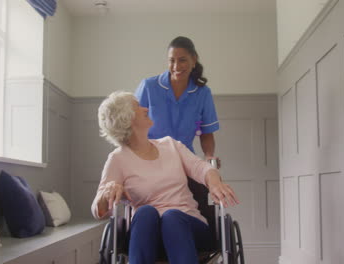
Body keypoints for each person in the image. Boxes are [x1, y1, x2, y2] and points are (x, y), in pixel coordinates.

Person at [91, 91, 239, 264]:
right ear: (128, 118)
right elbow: (98, 211)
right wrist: (106, 193)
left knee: (172, 217)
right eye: (138, 106)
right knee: (146, 212)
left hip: (189, 229)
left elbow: (202, 168)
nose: (145, 108)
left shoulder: (170, 145)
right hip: (147, 235)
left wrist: (214, 184)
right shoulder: (117, 159)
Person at [135, 36, 220, 167]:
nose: (176, 66)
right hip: (150, 160)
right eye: (171, 61)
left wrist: (209, 156)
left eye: (182, 60)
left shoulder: (202, 93)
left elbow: (206, 132)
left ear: (194, 59)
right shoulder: (148, 86)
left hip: (185, 161)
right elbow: (133, 126)